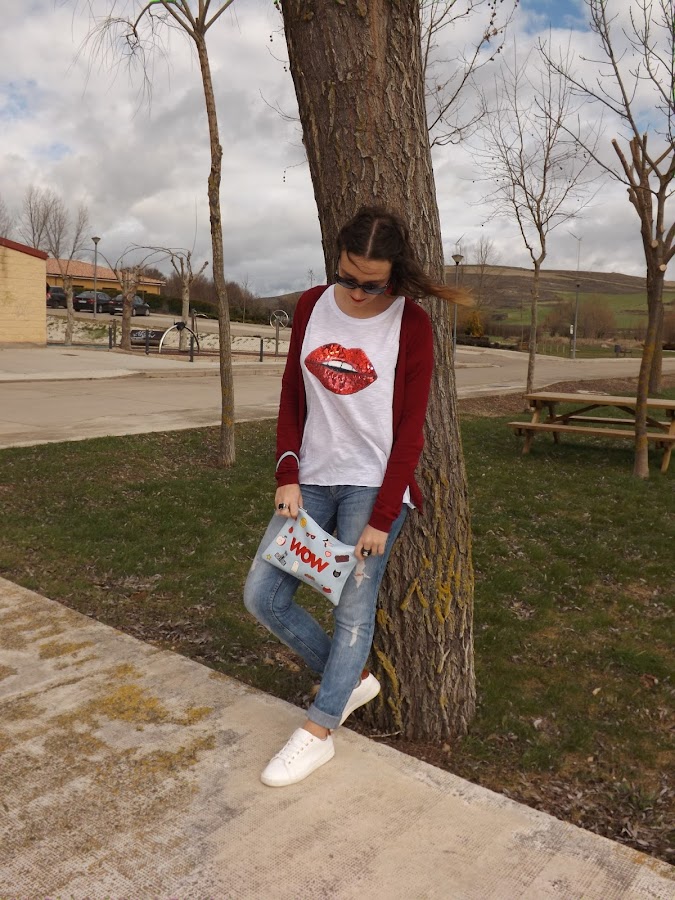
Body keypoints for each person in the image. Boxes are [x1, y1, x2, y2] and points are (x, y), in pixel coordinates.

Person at [244, 206, 467, 787]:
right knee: (262, 595)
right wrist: (286, 471)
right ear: (336, 260)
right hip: (311, 478)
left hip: (373, 485)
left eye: (375, 284)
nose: (360, 292)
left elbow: (412, 429)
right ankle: (352, 680)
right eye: (349, 278)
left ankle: (319, 731)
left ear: (395, 274)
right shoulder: (311, 306)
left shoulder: (411, 324)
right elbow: (292, 391)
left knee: (351, 610)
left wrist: (384, 516)